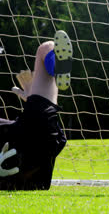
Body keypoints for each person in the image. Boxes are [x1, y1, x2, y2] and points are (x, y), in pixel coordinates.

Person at [0, 30, 72, 190]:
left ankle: (57, 67)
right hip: (35, 142)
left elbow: (60, 140)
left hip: (31, 177)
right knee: (47, 48)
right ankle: (57, 66)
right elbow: (59, 139)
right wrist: (33, 99)